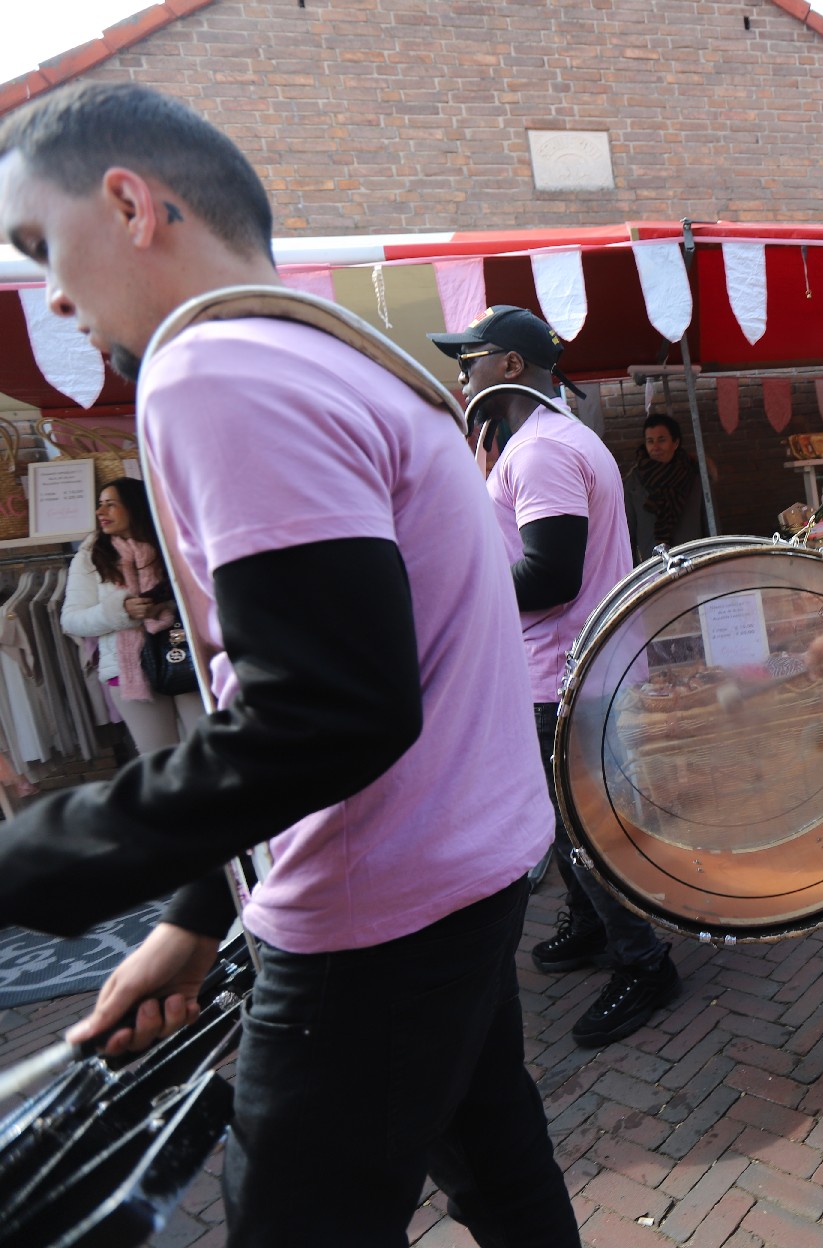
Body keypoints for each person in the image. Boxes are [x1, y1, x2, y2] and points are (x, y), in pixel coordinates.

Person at [0, 84, 579, 1245]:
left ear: (130, 204)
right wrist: (197, 909)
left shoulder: (217, 372)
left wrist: (26, 862)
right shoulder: (349, 360)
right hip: (461, 877)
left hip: (371, 917)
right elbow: (332, 674)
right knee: (502, 1173)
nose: (53, 294)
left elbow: (326, 709)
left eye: (42, 245)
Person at [428, 305, 682, 1049]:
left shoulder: (540, 450)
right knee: (571, 822)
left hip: (563, 672)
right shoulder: (550, 438)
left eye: (470, 358)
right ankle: (596, 926)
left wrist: (457, 585)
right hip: (572, 665)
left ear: (510, 365)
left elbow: (550, 575)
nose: (461, 374)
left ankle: (645, 963)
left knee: (582, 828)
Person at [60, 475, 206, 752]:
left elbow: (204, 596)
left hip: (185, 657)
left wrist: (167, 606)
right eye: (100, 504)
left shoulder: (174, 545)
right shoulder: (92, 555)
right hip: (129, 671)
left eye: (110, 504)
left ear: (136, 507)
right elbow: (71, 620)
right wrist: (120, 611)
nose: (100, 512)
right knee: (159, 759)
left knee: (209, 754)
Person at [624, 412, 707, 564]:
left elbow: (710, 525)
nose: (655, 447)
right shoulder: (634, 483)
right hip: (655, 567)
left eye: (661, 440)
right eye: (650, 441)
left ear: (675, 443)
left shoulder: (694, 478)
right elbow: (628, 536)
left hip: (694, 562)